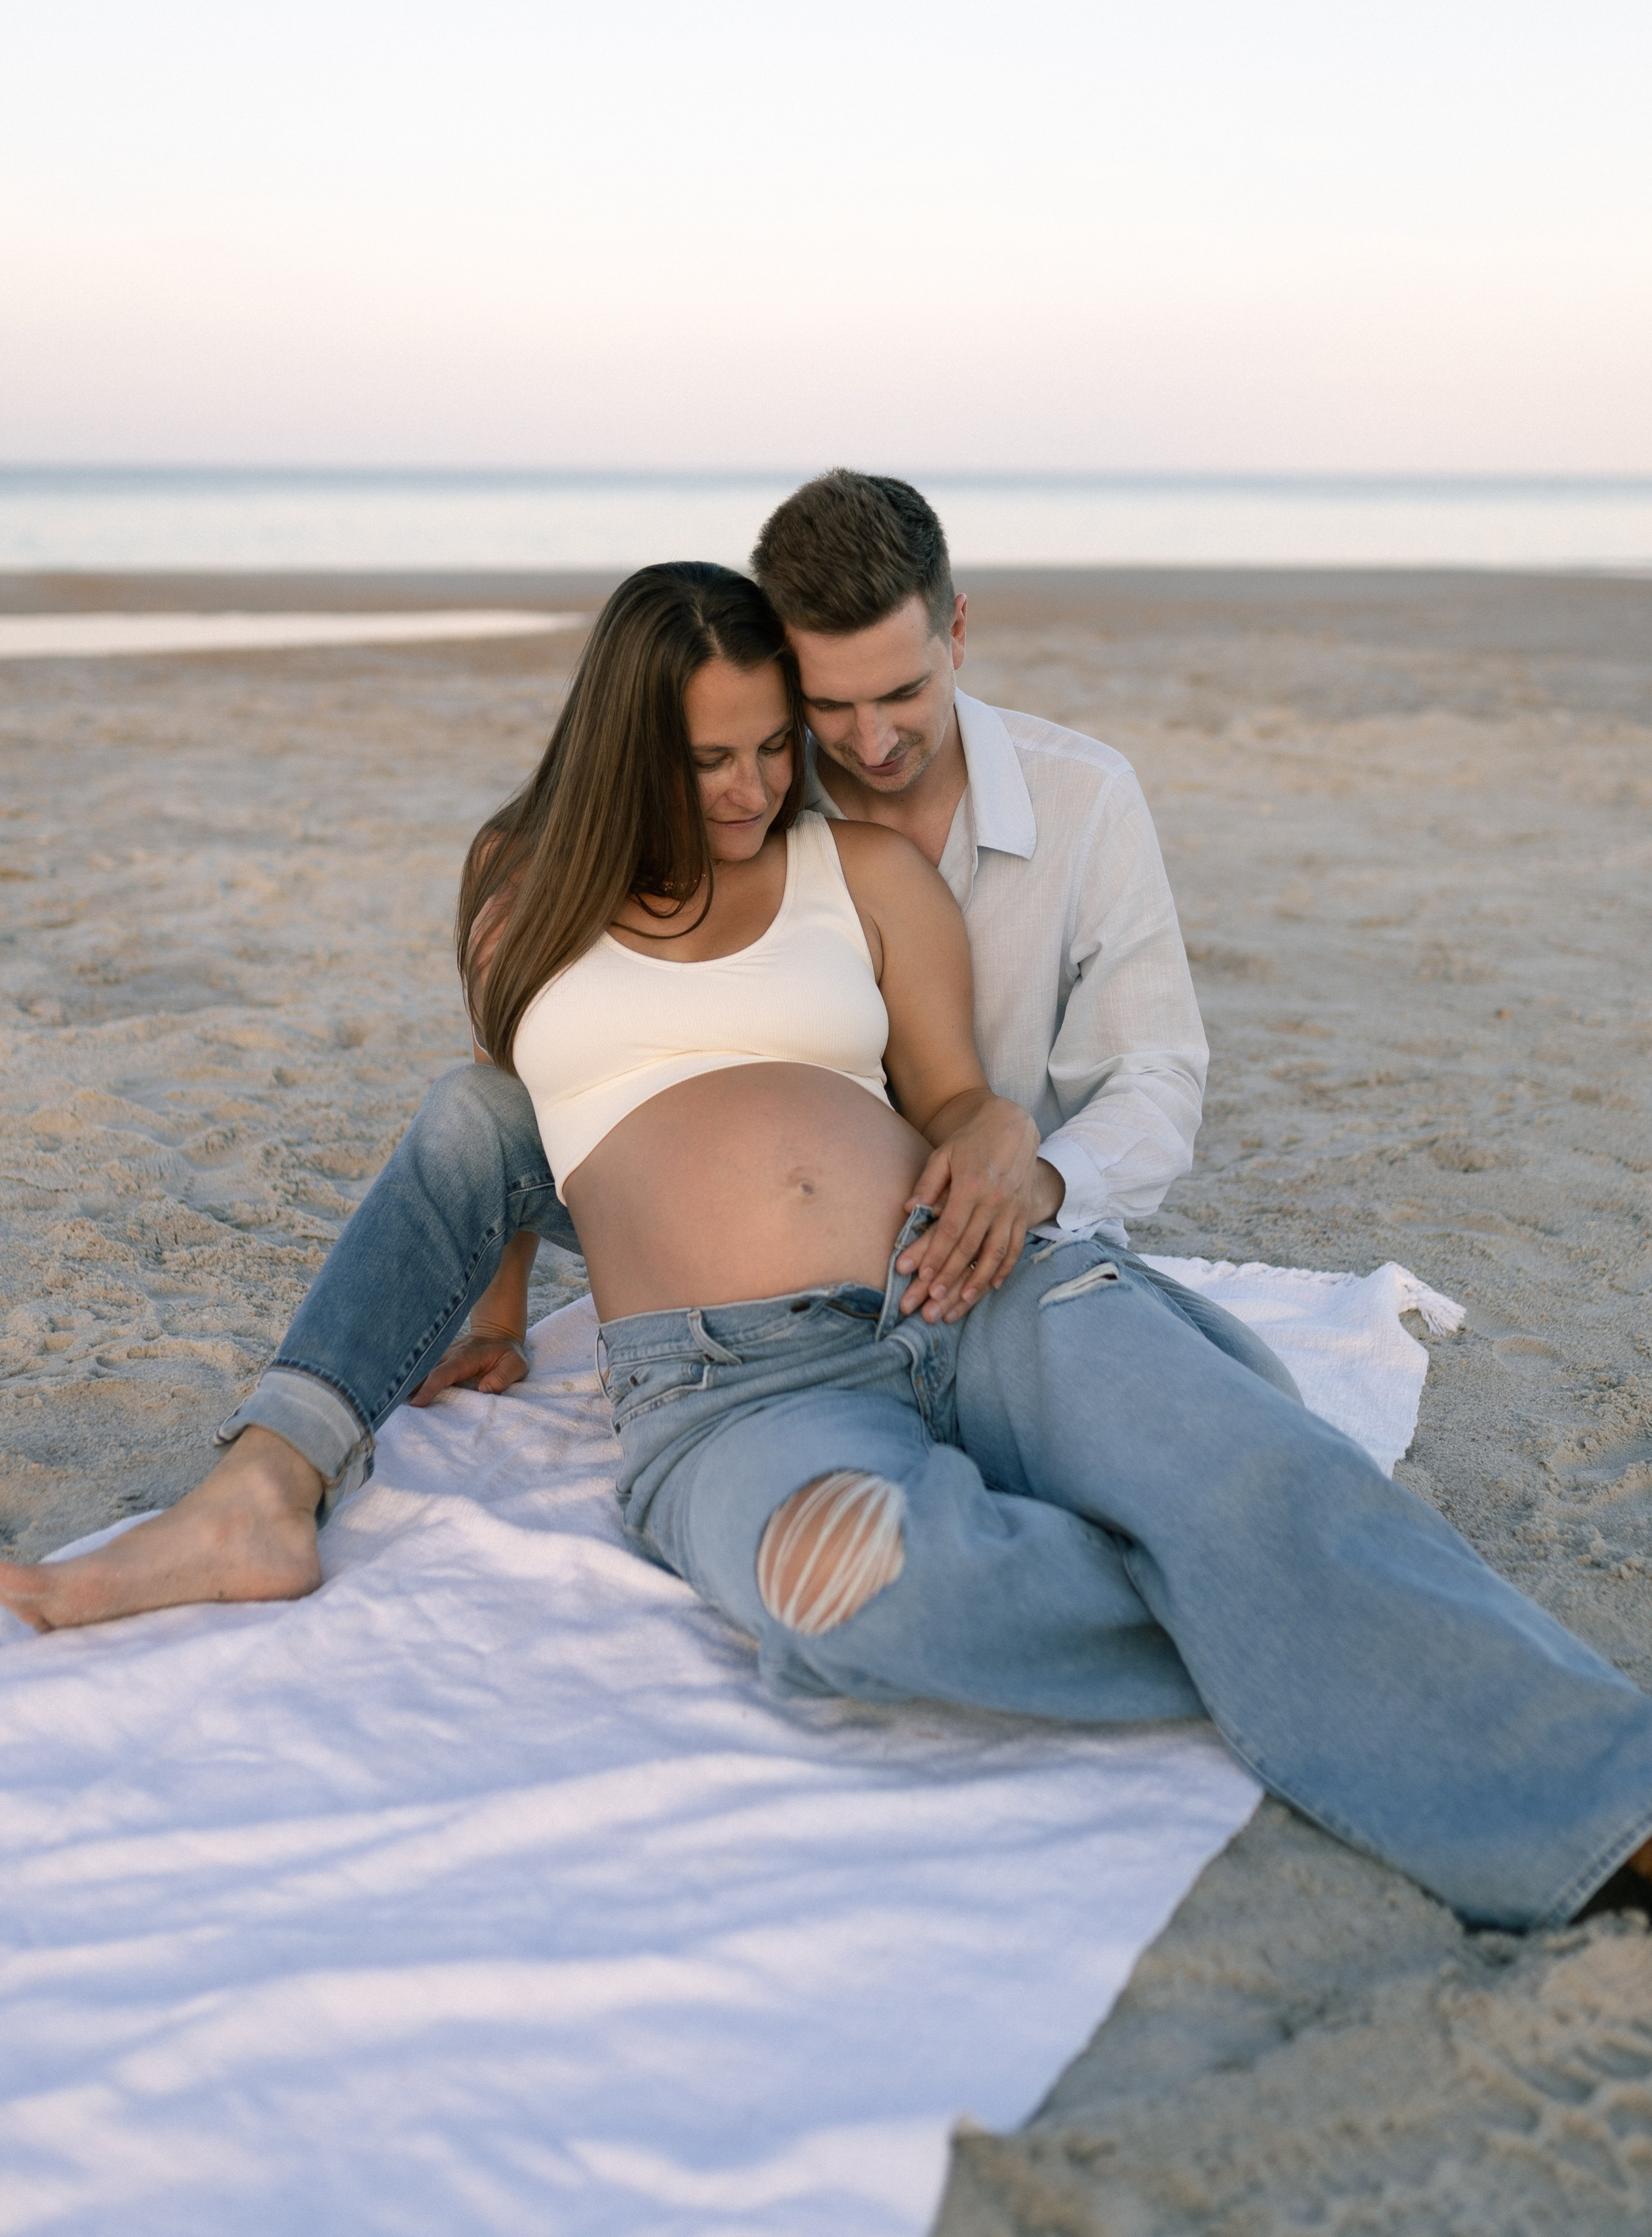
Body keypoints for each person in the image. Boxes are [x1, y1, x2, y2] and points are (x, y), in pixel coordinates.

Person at [5, 557, 1652, 1936]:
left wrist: (1001, 1134)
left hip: (975, 1287)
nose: (747, 791)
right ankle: (1287, 1620)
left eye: (767, 749)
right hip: (729, 1389)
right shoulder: (514, 884)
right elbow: (517, 1117)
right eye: (702, 760)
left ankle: (1594, 1799)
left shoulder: (859, 866)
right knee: (858, 1600)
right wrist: (491, 1308)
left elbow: (950, 1095)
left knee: (1245, 1473)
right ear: (613, 748)